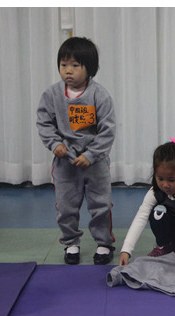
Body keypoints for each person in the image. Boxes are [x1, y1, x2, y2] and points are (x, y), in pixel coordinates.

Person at [36, 37, 116, 265]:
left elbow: (107, 130)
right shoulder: (52, 95)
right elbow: (44, 122)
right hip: (66, 163)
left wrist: (90, 155)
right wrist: (55, 144)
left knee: (101, 205)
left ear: (89, 68)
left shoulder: (99, 95)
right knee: (65, 207)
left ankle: (104, 244)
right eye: (63, 65)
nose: (68, 71)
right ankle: (71, 242)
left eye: (75, 65)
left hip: (95, 163)